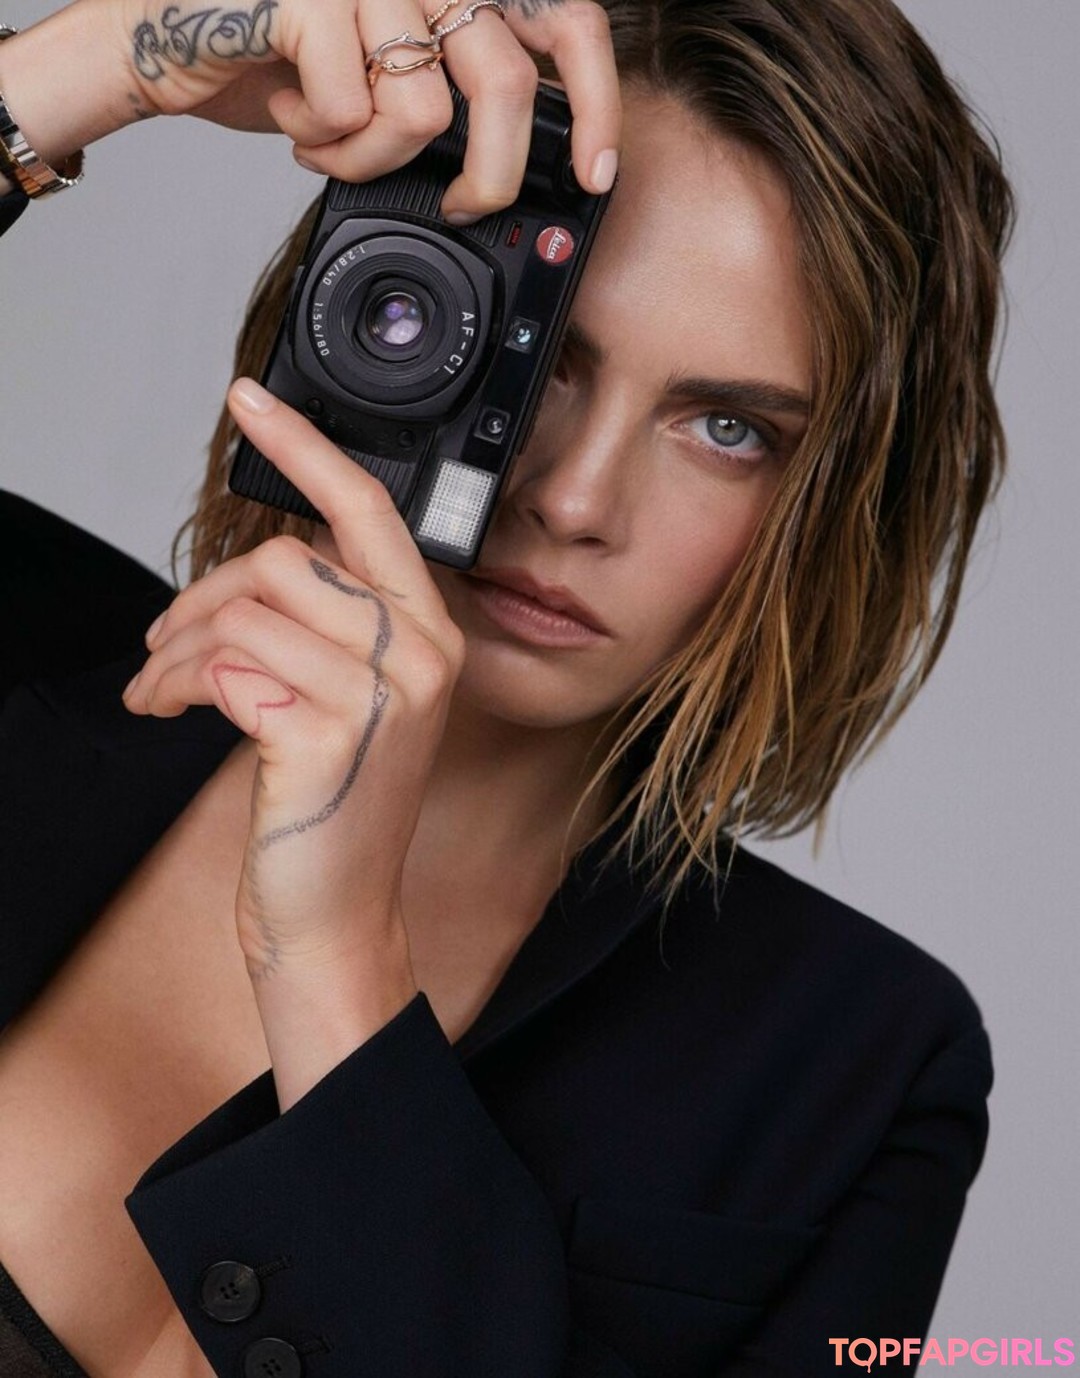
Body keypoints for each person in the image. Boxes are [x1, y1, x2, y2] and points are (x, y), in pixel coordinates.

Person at [0, 0, 1013, 1373]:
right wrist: (97, 63)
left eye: (729, 428)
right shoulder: (19, 628)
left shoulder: (862, 1071)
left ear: (836, 506)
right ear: (367, 293)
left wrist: (341, 968)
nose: (575, 499)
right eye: (541, 354)